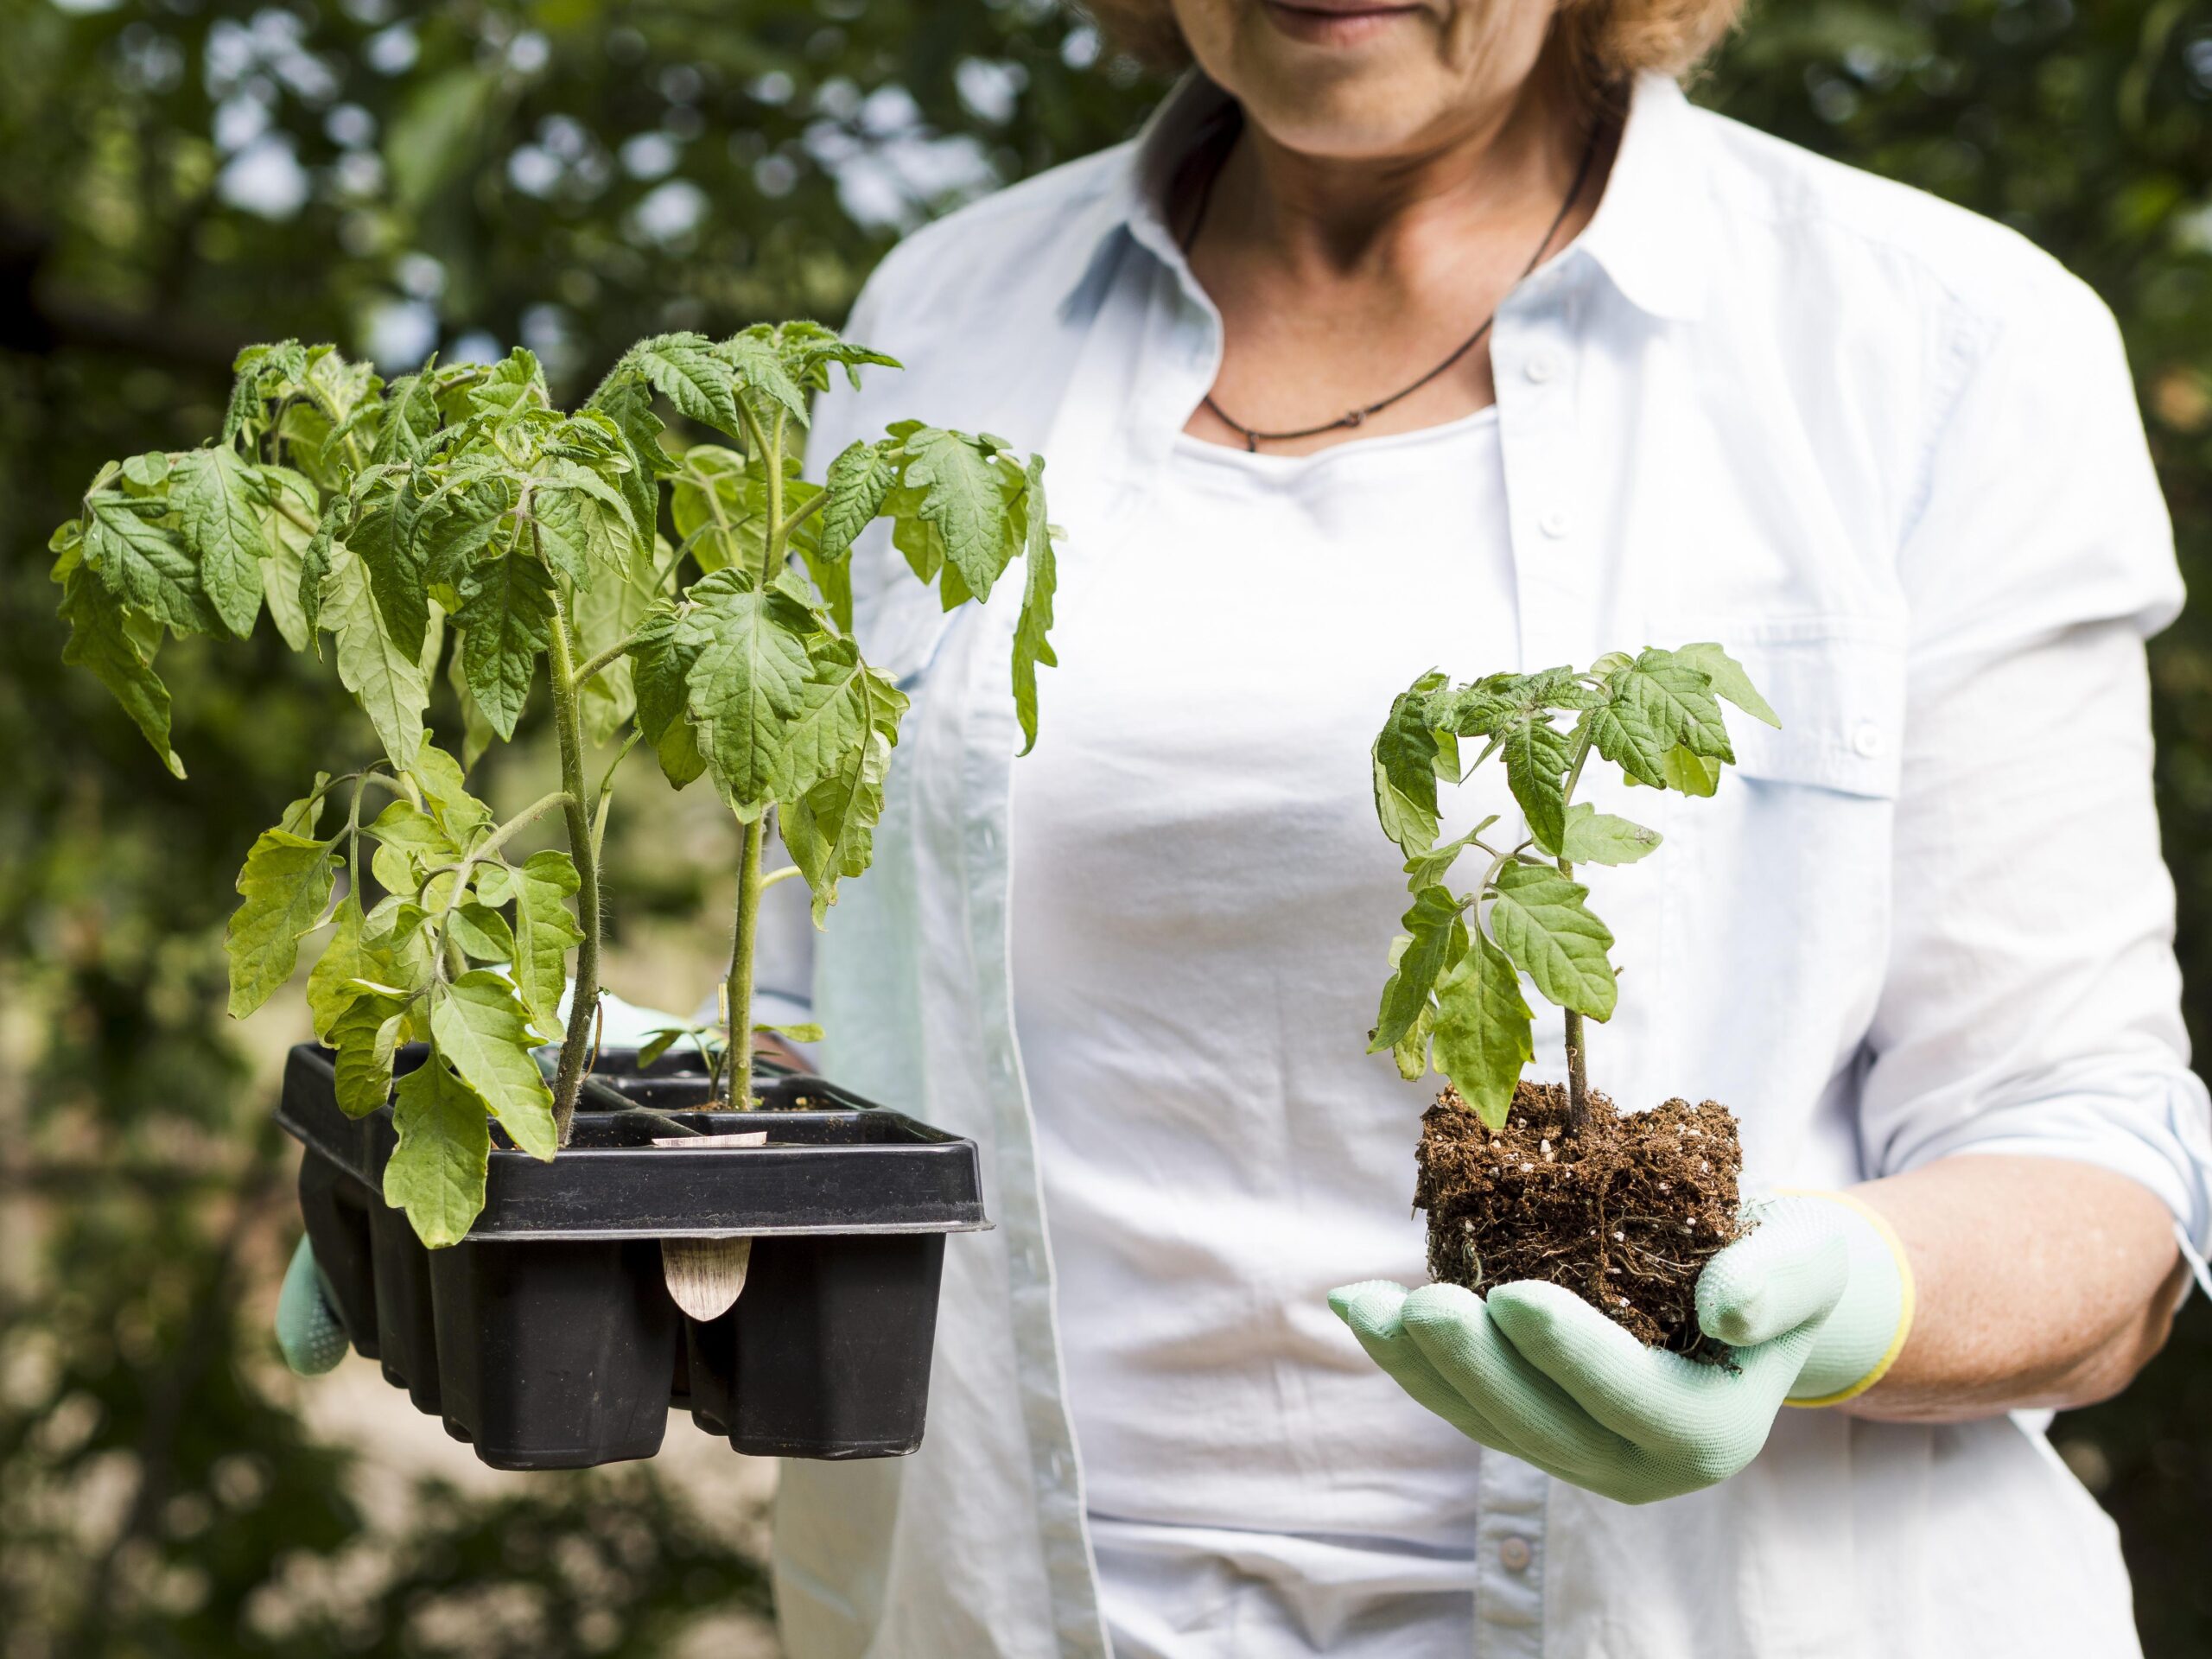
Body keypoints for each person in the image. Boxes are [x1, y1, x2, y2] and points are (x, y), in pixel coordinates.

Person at [283, 2, 2212, 1654]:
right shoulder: (945, 324)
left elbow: (2092, 1183)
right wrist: (582, 1137)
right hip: (996, 1609)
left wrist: (1835, 1296)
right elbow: (849, 1021)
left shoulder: (1926, 345)